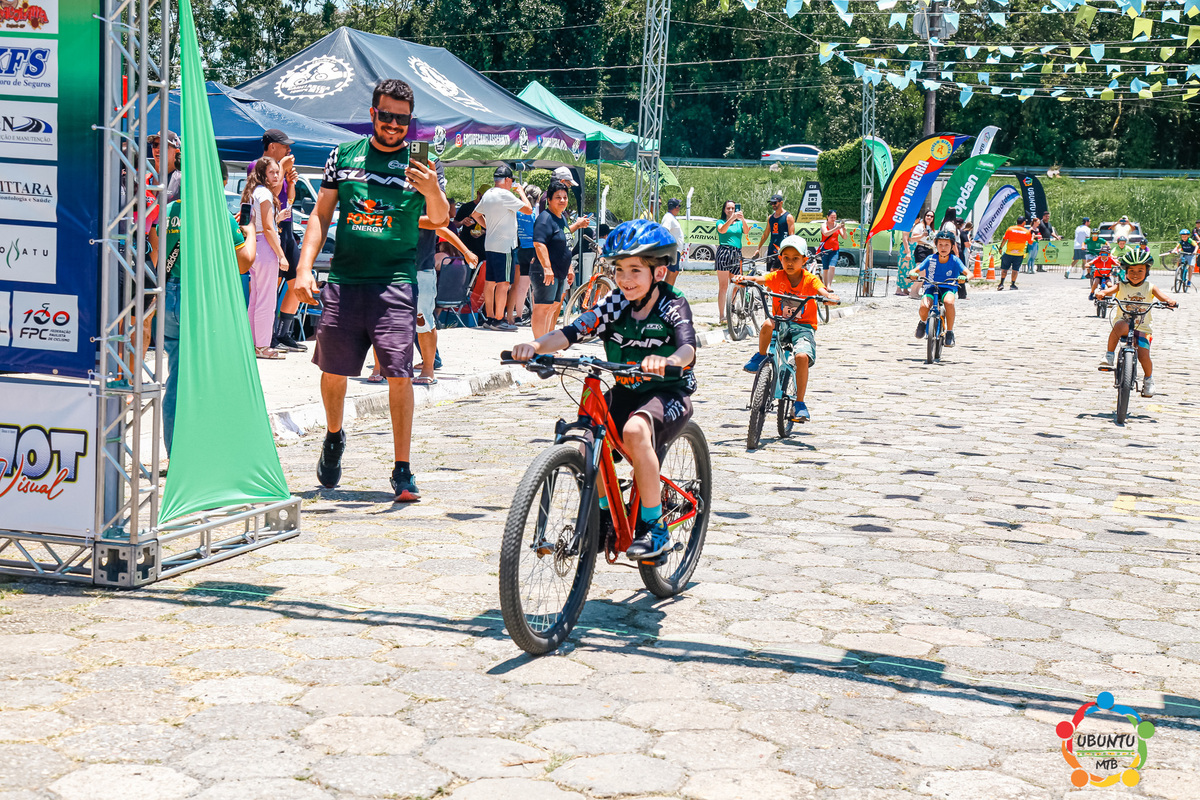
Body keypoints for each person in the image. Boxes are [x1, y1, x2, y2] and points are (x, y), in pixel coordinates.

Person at [293, 78, 450, 502]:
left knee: (399, 373)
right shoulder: (343, 156)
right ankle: (333, 436)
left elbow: (439, 219)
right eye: (386, 116)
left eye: (402, 119)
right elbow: (320, 215)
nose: (394, 125)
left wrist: (431, 189)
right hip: (344, 281)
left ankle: (402, 469)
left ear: (410, 121)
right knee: (333, 371)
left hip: (395, 283)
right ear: (372, 114)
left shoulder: (423, 164)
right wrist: (304, 268)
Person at [511, 219, 696, 560]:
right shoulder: (615, 303)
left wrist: (668, 360)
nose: (625, 279)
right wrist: (535, 346)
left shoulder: (672, 303)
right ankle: (603, 516)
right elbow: (571, 332)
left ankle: (656, 529)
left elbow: (688, 348)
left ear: (658, 272)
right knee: (585, 441)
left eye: (635, 270)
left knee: (635, 430)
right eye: (619, 270)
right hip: (627, 389)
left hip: (668, 392)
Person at [148, 165, 255, 456]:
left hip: (168, 296)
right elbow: (244, 262)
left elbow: (156, 253)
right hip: (199, 297)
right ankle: (195, 454)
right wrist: (250, 232)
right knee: (205, 378)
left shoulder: (167, 209)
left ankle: (176, 452)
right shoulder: (217, 214)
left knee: (177, 375)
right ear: (220, 181)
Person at [736, 235, 840, 421]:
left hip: (803, 328)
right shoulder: (777, 276)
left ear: (804, 260)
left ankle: (799, 403)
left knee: (801, 357)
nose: (790, 262)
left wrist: (829, 296)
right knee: (767, 324)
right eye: (786, 258)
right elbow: (759, 279)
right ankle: (761, 355)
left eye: (795, 258)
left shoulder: (810, 280)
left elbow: (822, 290)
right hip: (781, 323)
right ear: (780, 258)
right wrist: (744, 279)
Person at [1095, 249, 1177, 398]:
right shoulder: (1121, 285)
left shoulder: (1150, 287)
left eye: (1140, 270)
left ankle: (1148, 380)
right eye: (1131, 270)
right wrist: (1102, 293)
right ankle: (1109, 355)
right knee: (1119, 325)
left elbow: (1163, 297)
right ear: (1126, 271)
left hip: (1143, 327)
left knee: (1144, 356)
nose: (1135, 274)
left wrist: (1170, 301)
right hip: (1124, 325)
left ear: (1147, 271)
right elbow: (1109, 291)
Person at [473, 165, 532, 330]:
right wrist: (521, 192)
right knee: (504, 283)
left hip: (490, 244)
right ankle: (499, 320)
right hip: (505, 245)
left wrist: (488, 227)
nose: (512, 184)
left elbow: (475, 214)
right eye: (511, 181)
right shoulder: (506, 195)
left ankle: (490, 318)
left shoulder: (488, 194)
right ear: (507, 180)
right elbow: (528, 210)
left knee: (490, 282)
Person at [530, 180, 590, 339]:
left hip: (560, 271)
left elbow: (564, 242)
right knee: (543, 308)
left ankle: (547, 342)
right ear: (549, 200)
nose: (562, 200)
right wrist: (547, 268)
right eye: (558, 197)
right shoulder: (545, 218)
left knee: (553, 307)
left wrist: (569, 268)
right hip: (545, 271)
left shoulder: (561, 217)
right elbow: (539, 244)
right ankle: (539, 345)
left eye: (565, 197)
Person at [242, 157, 289, 359]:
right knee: (266, 300)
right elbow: (269, 228)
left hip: (254, 245)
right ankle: (262, 346)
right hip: (265, 247)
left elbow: (261, 223)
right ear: (263, 174)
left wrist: (277, 218)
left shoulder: (254, 192)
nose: (276, 176)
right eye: (272, 172)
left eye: (278, 172)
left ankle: (254, 344)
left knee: (256, 298)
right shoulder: (265, 193)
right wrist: (281, 255)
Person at [909, 230, 967, 347]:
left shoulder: (955, 260)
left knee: (949, 302)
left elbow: (969, 273)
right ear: (936, 245)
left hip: (948, 287)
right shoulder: (931, 258)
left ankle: (949, 332)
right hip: (931, 286)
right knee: (924, 306)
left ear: (952, 246)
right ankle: (923, 322)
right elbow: (915, 270)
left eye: (946, 245)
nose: (943, 247)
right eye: (940, 244)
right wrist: (913, 274)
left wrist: (964, 277)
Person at [514, 184, 542, 326]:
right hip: (534, 250)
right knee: (536, 287)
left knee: (522, 286)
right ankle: (535, 317)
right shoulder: (536, 212)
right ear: (538, 197)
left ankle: (519, 316)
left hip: (522, 250)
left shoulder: (519, 211)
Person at [715, 199, 745, 323]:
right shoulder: (720, 222)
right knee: (723, 286)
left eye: (733, 208)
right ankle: (722, 315)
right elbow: (722, 230)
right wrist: (731, 218)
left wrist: (742, 219)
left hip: (736, 253)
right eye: (728, 208)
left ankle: (730, 311)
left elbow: (747, 231)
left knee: (735, 285)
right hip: (724, 251)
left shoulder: (739, 223)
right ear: (724, 210)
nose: (731, 210)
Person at [751, 192, 795, 271]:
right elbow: (765, 234)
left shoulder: (788, 217)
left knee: (775, 271)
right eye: (771, 203)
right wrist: (758, 248)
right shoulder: (770, 218)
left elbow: (792, 236)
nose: (773, 205)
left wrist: (790, 250)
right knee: (769, 272)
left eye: (775, 203)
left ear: (781, 203)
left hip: (782, 249)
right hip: (771, 249)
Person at [997, 215, 1035, 290]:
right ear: (1023, 222)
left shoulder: (1010, 229)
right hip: (1019, 254)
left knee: (1004, 269)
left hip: (1009, 253)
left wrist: (1000, 248)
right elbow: (1030, 242)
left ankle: (1001, 284)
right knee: (1015, 270)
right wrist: (1033, 236)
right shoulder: (1026, 232)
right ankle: (1012, 284)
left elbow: (1004, 239)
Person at [818, 209, 847, 287]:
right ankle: (825, 285)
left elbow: (844, 237)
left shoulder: (837, 225)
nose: (833, 219)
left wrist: (844, 230)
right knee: (825, 268)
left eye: (835, 217)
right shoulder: (824, 225)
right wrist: (836, 228)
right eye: (832, 217)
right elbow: (826, 233)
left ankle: (829, 285)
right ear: (827, 217)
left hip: (835, 249)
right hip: (825, 249)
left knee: (832, 266)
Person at [661, 197, 685, 286]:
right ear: (676, 207)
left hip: (676, 250)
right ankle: (666, 291)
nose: (679, 208)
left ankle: (669, 290)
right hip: (672, 250)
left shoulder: (672, 217)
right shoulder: (668, 217)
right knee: (671, 272)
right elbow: (665, 231)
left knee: (674, 272)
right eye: (679, 206)